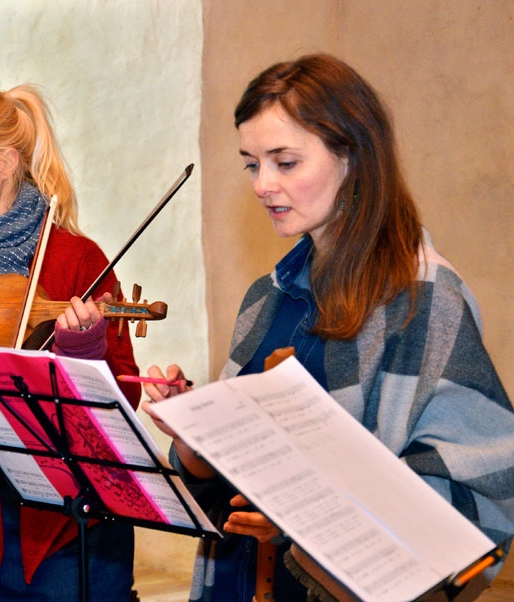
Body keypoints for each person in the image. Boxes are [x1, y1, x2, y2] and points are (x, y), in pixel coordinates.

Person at [142, 54, 514, 602]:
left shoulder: (424, 297)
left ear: (352, 157)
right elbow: (226, 487)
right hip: (238, 582)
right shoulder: (266, 297)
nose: (262, 184)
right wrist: (196, 440)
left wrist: (302, 524)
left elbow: (481, 486)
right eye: (251, 164)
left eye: (285, 162)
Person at [0, 83, 142, 601]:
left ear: (5, 162)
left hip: (73, 525)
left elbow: (125, 398)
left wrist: (85, 354)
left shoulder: (75, 262)